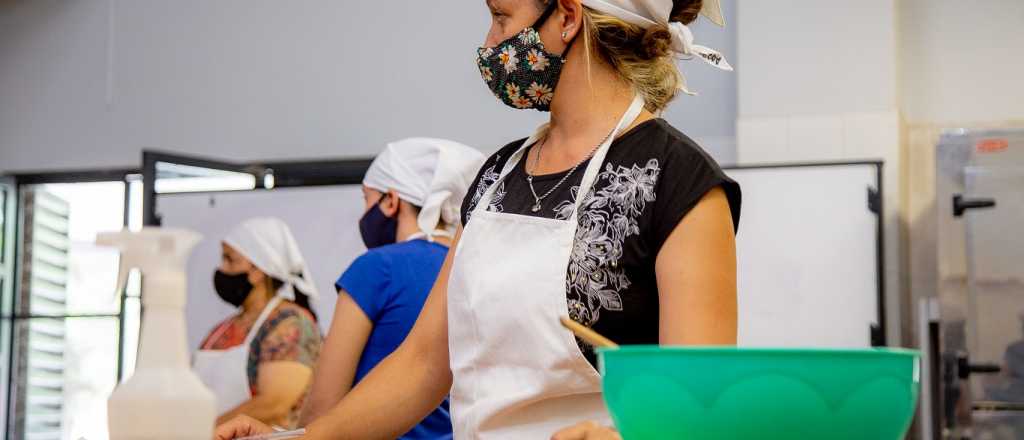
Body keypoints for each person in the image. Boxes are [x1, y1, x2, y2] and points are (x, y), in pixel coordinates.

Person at [216, 0, 741, 438]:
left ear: (566, 18)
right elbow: (423, 364)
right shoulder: (497, 174)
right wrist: (300, 438)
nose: (490, 43)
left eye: (501, 17)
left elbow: (698, 399)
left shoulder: (677, 179)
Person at [298, 138, 484, 439]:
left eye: (366, 198)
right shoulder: (470, 266)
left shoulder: (377, 268)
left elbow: (322, 405)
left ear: (391, 201)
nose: (363, 213)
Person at [194, 217, 322, 430]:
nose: (222, 268)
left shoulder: (291, 324)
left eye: (230, 260)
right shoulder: (221, 330)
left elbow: (274, 404)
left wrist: (201, 432)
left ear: (257, 270)